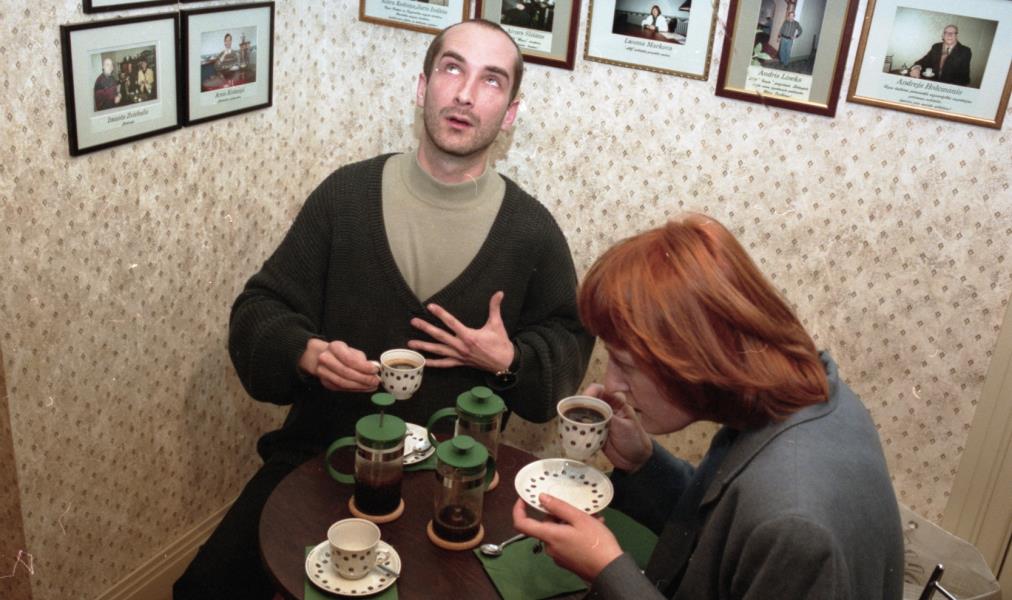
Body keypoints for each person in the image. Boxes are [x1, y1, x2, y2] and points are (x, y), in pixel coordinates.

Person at [174, 19, 593, 600]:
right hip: (322, 460)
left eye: (491, 80)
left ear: (510, 114)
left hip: (455, 487)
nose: (465, 93)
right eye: (452, 69)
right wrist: (305, 352)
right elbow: (258, 311)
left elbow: (566, 355)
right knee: (204, 590)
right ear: (422, 87)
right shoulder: (345, 198)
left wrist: (510, 361)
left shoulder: (532, 233)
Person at [513, 214, 904, 599]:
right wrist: (644, 465)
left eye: (624, 364)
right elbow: (725, 533)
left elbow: (765, 525)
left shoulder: (795, 526)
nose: (612, 383)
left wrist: (608, 571)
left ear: (694, 356)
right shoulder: (807, 394)